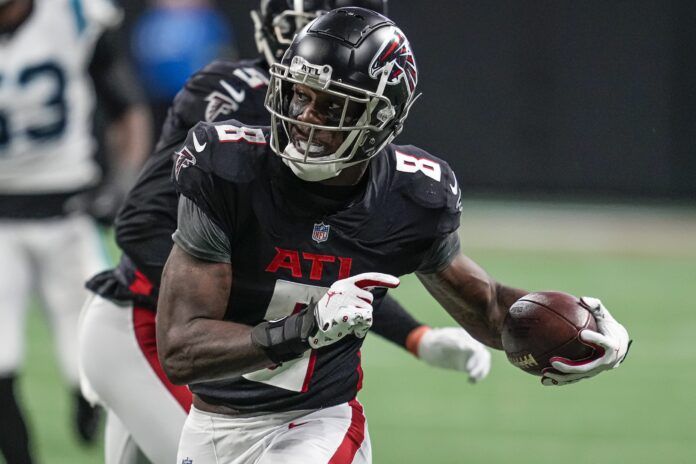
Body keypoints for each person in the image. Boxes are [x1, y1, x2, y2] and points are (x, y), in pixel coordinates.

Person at [158, 7, 631, 463]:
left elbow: (485, 305)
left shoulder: (411, 196)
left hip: (314, 425)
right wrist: (304, 328)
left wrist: (580, 331)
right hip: (209, 426)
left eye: (333, 105)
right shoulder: (228, 169)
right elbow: (180, 348)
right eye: (301, 95)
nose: (307, 118)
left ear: (381, 119)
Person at [78, 1, 490, 464]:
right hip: (147, 321)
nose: (310, 117)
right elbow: (142, 227)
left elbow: (331, 267)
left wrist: (413, 336)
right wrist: (256, 301)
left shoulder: (364, 149)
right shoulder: (234, 99)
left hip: (231, 355)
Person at [0, 0, 151, 462]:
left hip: (69, 211)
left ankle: (83, 402)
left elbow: (128, 109)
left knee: (91, 352)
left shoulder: (76, 15)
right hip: (1, 221)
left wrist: (123, 183)